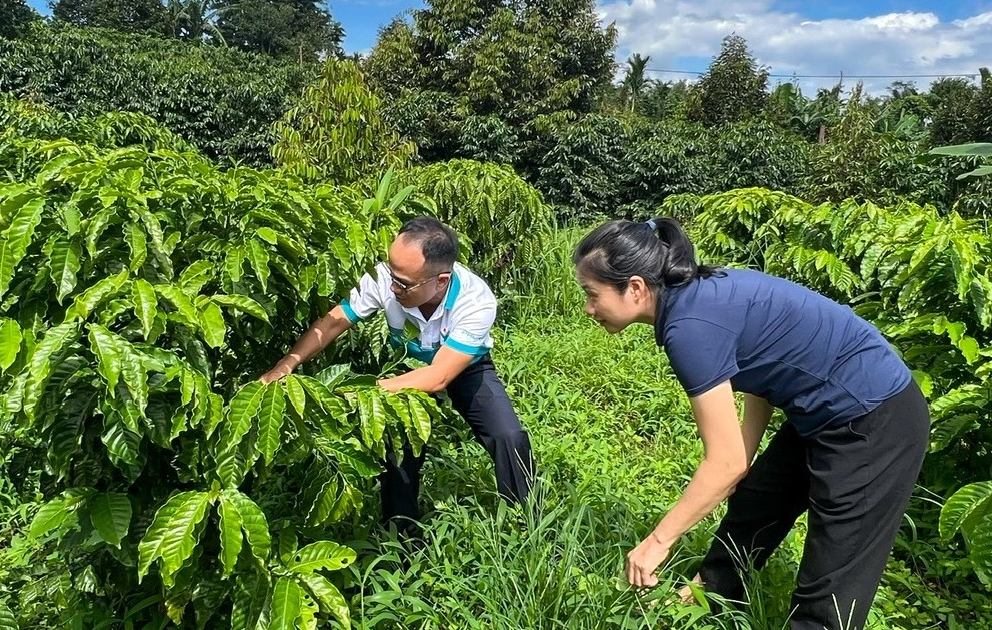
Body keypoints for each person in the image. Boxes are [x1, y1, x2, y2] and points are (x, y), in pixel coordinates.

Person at [573, 217, 929, 630]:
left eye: (592, 294)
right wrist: (745, 456)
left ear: (634, 287)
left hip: (876, 418)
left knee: (831, 582)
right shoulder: (695, 295)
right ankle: (705, 599)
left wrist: (655, 543)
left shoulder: (689, 329)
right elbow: (763, 367)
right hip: (827, 404)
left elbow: (723, 464)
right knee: (755, 502)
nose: (589, 308)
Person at [261, 216, 534, 533]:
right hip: (405, 365)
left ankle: (527, 523)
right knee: (400, 450)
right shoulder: (388, 277)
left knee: (508, 437)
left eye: (403, 283)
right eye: (391, 274)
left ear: (441, 281)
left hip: (463, 368)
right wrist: (288, 362)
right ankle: (402, 539)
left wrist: (359, 393)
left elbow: (439, 376)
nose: (392, 286)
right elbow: (334, 321)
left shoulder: (476, 300)